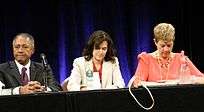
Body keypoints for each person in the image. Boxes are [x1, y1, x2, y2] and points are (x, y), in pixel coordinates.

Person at [130, 23, 204, 87]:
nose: (166, 49)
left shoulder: (181, 59)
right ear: (155, 42)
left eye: (169, 45)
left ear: (173, 41)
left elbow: (202, 79)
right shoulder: (146, 59)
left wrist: (189, 80)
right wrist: (161, 85)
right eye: (162, 46)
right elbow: (137, 83)